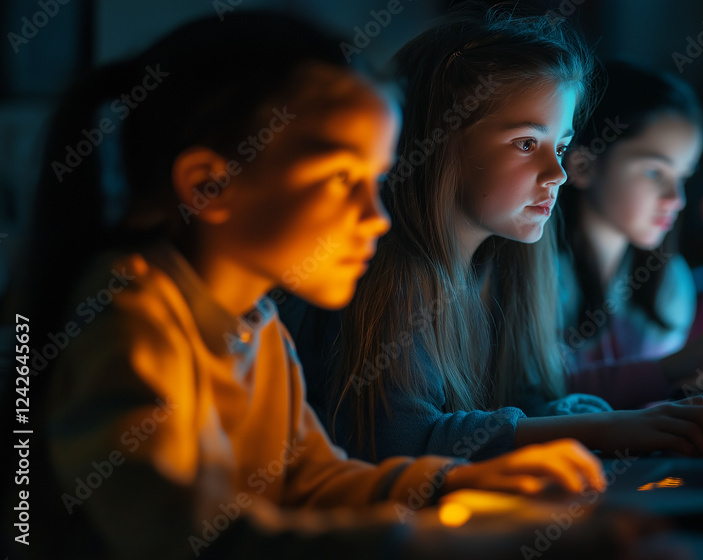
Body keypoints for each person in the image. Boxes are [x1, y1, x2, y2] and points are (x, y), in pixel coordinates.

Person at [6, 12, 615, 560]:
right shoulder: (125, 314)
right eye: (339, 178)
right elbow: (197, 538)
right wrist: (451, 540)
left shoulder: (256, 325)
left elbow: (310, 483)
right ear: (210, 185)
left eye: (376, 180)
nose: (377, 217)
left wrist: (453, 484)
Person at [287, 4, 703, 465]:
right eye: (525, 144)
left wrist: (615, 424)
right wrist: (607, 427)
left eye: (559, 146)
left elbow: (523, 402)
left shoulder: (504, 270)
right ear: (439, 142)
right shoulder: (395, 277)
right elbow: (402, 443)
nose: (556, 172)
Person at [557, 61, 703, 400]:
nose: (677, 199)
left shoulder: (668, 282)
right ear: (583, 166)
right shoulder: (541, 277)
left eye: (683, 177)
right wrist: (670, 368)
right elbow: (531, 401)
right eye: (655, 173)